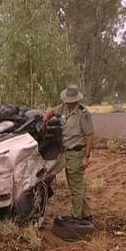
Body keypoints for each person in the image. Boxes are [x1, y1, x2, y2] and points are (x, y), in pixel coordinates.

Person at [43, 84, 95, 221]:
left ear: (76, 100)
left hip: (77, 153)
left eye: (70, 100)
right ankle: (86, 214)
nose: (67, 102)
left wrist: (86, 157)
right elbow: (54, 111)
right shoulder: (64, 108)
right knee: (74, 184)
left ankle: (76, 217)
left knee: (76, 186)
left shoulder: (83, 114)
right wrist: (46, 117)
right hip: (67, 153)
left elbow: (90, 135)